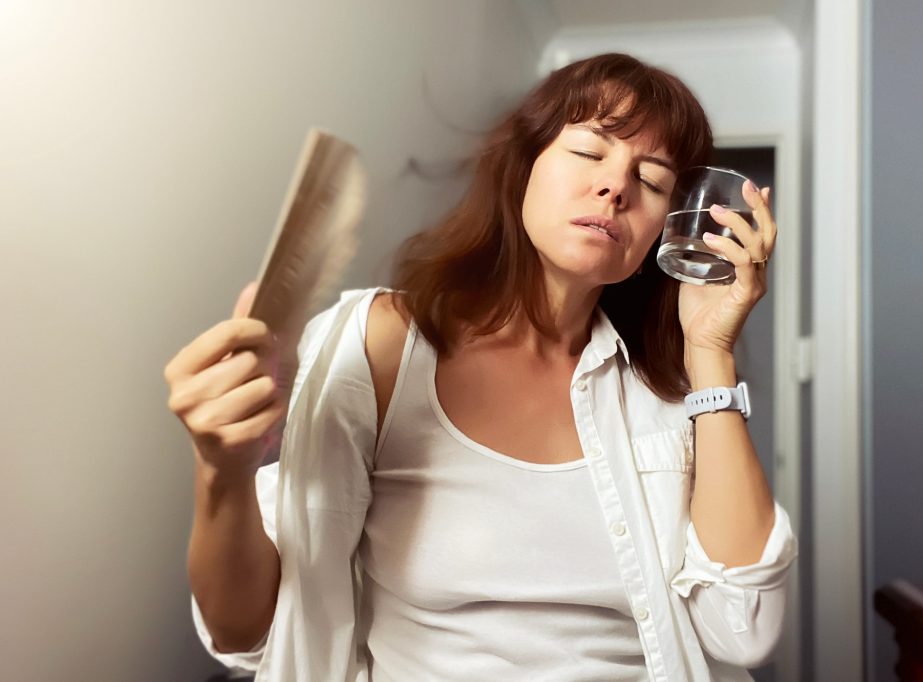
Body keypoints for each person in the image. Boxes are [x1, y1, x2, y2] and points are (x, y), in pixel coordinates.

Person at [165, 53, 797, 682]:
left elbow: (744, 630)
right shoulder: (377, 346)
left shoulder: (663, 392)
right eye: (588, 151)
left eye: (652, 181)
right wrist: (221, 468)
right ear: (523, 168)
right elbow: (243, 632)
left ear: (657, 233)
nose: (616, 187)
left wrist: (711, 351)